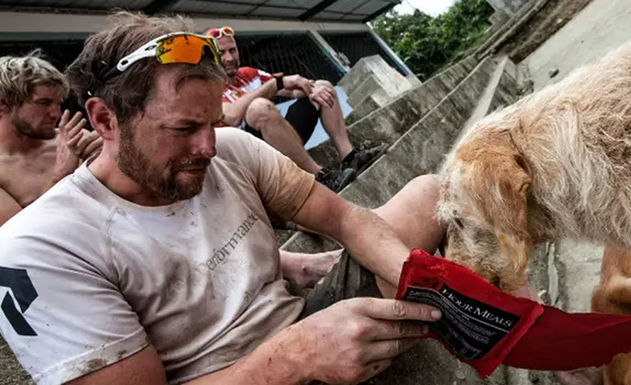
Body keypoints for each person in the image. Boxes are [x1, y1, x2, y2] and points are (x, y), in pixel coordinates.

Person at [0, 12, 447, 385]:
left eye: (212, 123)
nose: (208, 147)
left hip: (305, 322)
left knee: (431, 193)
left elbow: (347, 219)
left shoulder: (229, 147)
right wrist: (296, 356)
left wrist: (420, 278)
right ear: (105, 119)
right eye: (183, 129)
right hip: (232, 372)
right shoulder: (38, 247)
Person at [206, 26, 386, 192]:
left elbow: (291, 91)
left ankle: (350, 157)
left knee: (323, 87)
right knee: (259, 108)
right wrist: (277, 83)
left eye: (232, 50)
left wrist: (310, 87)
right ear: (210, 57)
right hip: (252, 161)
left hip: (279, 145)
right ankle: (320, 177)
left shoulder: (247, 74)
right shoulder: (205, 86)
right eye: (221, 53)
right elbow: (231, 116)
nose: (229, 58)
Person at [0, 53, 102, 226]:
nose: (56, 114)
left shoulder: (76, 141)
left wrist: (113, 154)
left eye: (58, 103)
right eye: (44, 103)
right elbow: (18, 235)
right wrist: (61, 175)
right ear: (3, 104)